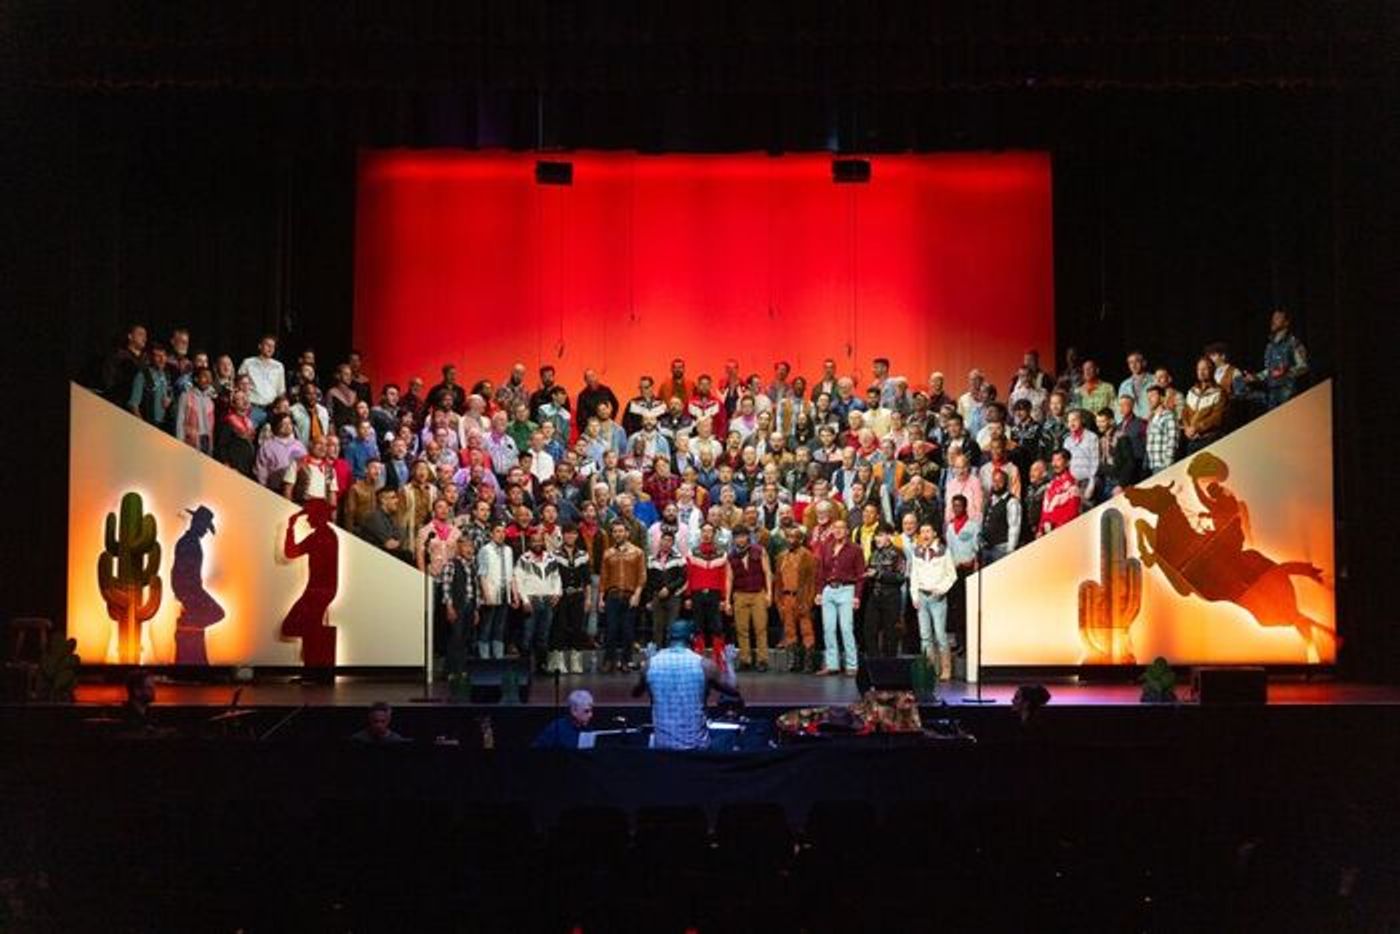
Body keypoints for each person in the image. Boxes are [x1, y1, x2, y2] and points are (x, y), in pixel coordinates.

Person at [633, 620, 741, 751]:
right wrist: (729, 662)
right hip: (696, 748)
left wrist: (650, 661)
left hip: (663, 748)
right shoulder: (704, 665)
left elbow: (636, 693)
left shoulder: (651, 664)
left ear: (668, 637)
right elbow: (733, 689)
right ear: (692, 638)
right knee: (730, 739)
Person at [815, 517, 865, 676]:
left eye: (841, 528)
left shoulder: (855, 549)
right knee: (828, 628)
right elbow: (821, 572)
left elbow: (860, 575)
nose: (837, 531)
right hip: (829, 589)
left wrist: (857, 596)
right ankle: (832, 664)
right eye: (835, 528)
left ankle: (852, 665)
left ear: (847, 531)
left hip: (846, 589)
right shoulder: (826, 547)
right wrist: (819, 591)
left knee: (846, 628)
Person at [909, 522, 958, 679]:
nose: (925, 534)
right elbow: (914, 575)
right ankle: (929, 669)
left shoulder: (943, 551)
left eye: (928, 531)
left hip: (937, 597)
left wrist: (941, 590)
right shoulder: (916, 552)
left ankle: (946, 669)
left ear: (934, 534)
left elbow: (952, 575)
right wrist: (914, 596)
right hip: (922, 597)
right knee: (925, 636)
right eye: (922, 531)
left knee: (940, 635)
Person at [598, 519, 646, 674]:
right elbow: (603, 577)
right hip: (612, 595)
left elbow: (642, 576)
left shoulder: (637, 552)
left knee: (628, 631)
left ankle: (626, 661)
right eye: (615, 531)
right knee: (611, 630)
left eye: (621, 531)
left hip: (630, 595)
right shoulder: (607, 553)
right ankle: (608, 660)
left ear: (627, 533)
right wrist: (600, 598)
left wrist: (637, 594)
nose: (618, 534)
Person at [726, 525, 773, 672]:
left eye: (743, 536)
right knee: (742, 629)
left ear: (748, 537)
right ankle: (745, 660)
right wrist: (727, 600)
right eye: (737, 537)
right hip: (740, 594)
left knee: (760, 628)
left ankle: (762, 660)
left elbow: (767, 572)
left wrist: (769, 593)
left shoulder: (759, 550)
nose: (740, 539)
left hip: (758, 593)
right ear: (734, 539)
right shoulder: (731, 555)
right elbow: (729, 578)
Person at [514, 529, 562, 672]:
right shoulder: (524, 559)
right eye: (534, 541)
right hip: (532, 600)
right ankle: (524, 667)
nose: (537, 543)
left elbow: (556, 577)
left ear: (543, 542)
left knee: (544, 635)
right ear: (530, 543)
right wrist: (525, 600)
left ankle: (541, 665)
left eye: (539, 541)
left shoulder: (550, 558)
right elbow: (518, 580)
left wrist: (556, 593)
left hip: (547, 600)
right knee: (528, 635)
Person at [774, 525, 818, 673]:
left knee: (807, 630)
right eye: (789, 537)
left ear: (801, 539)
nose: (791, 540)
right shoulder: (781, 556)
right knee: (789, 630)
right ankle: (793, 662)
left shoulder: (808, 556)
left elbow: (812, 582)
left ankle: (809, 663)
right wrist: (779, 601)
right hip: (787, 597)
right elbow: (778, 581)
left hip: (802, 597)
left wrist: (808, 601)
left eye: (794, 537)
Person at [1247, 307, 1309, 409]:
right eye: (1273, 318)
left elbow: (1303, 366)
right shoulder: (1270, 346)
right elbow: (1269, 371)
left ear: (1286, 323)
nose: (1273, 321)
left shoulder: (1293, 342)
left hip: (1288, 390)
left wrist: (1287, 372)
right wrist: (1255, 377)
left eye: (1278, 318)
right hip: (1272, 392)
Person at [862, 523, 906, 659]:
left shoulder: (898, 553)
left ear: (889, 536)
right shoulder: (874, 554)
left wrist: (878, 574)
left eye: (880, 535)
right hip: (875, 597)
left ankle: (889, 665)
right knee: (869, 631)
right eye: (876, 535)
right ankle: (874, 662)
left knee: (890, 634)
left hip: (891, 597)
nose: (877, 538)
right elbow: (869, 572)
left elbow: (900, 577)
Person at [553, 524, 592, 674]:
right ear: (563, 535)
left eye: (573, 533)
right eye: (567, 533)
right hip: (560, 595)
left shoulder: (583, 555)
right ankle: (559, 661)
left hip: (578, 595)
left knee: (578, 627)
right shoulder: (555, 554)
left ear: (577, 536)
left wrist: (588, 599)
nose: (570, 536)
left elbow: (587, 580)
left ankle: (576, 662)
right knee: (560, 627)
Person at [476, 523, 517, 661]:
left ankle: (498, 655)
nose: (501, 534)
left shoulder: (508, 550)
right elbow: (482, 574)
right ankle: (484, 656)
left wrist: (514, 595)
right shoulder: (485, 550)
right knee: (487, 625)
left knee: (500, 626)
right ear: (492, 534)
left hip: (505, 592)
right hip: (491, 592)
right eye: (497, 531)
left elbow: (511, 574)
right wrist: (486, 595)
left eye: (503, 532)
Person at [441, 536, 479, 675]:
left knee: (465, 638)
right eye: (466, 546)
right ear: (459, 548)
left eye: (471, 547)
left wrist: (476, 609)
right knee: (455, 638)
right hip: (457, 605)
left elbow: (475, 588)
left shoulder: (472, 566)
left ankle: (461, 669)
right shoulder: (452, 564)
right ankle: (450, 671)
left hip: (469, 605)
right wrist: (449, 607)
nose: (469, 550)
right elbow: (446, 586)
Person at [645, 530, 688, 650]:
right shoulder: (651, 559)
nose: (666, 543)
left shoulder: (679, 558)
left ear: (673, 543)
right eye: (664, 540)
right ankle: (658, 652)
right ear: (660, 541)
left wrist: (668, 589)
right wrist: (650, 598)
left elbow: (682, 578)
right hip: (657, 596)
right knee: (657, 627)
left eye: (669, 541)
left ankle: (671, 652)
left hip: (674, 596)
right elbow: (649, 580)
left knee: (672, 626)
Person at [237, 334, 285, 430]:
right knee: (247, 434)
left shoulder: (278, 366)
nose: (270, 348)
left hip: (271, 409)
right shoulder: (248, 363)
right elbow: (239, 385)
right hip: (253, 408)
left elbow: (281, 390)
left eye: (273, 346)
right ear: (260, 346)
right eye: (267, 345)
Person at [1181, 357, 1227, 454]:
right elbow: (1184, 412)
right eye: (1199, 369)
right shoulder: (1192, 390)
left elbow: (1217, 418)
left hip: (1209, 440)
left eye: (1205, 369)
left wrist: (1197, 428)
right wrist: (1187, 428)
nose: (1201, 372)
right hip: (1191, 440)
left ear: (1212, 370)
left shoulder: (1219, 392)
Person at [980, 469, 1022, 563]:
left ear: (1006, 483)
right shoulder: (991, 500)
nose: (996, 484)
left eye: (1000, 481)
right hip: (987, 548)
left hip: (1001, 549)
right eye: (994, 481)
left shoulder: (1012, 501)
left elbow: (1014, 527)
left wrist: (1010, 550)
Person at [129, 343, 173, 429]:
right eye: (158, 356)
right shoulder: (143, 375)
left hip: (163, 426)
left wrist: (169, 399)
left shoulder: (167, 375)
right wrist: (142, 426)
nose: (162, 359)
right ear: (151, 358)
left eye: (164, 356)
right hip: (147, 425)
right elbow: (133, 405)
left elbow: (170, 393)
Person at [532, 690, 596, 749]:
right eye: (586, 711)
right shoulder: (556, 728)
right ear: (574, 711)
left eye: (591, 711)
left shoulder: (589, 730)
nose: (591, 715)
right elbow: (536, 751)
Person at [174, 365, 217, 454]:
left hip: (205, 441)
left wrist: (211, 447)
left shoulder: (210, 401)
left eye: (210, 377)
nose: (208, 380)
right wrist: (180, 442)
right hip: (190, 440)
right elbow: (180, 421)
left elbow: (211, 428)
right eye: (204, 376)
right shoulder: (186, 396)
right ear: (196, 378)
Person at [1039, 450, 1082, 535]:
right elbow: (1044, 510)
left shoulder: (1072, 485)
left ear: (1067, 463)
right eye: (1053, 460)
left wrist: (1054, 525)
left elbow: (1072, 513)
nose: (1054, 464)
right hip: (1047, 532)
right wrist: (1040, 529)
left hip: (1063, 532)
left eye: (1058, 460)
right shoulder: (1050, 485)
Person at [1144, 385, 1180, 475]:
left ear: (1161, 398)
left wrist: (1168, 464)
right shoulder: (1152, 418)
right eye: (1148, 397)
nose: (1149, 399)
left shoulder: (1168, 416)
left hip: (1163, 465)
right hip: (1154, 465)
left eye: (1152, 395)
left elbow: (1172, 440)